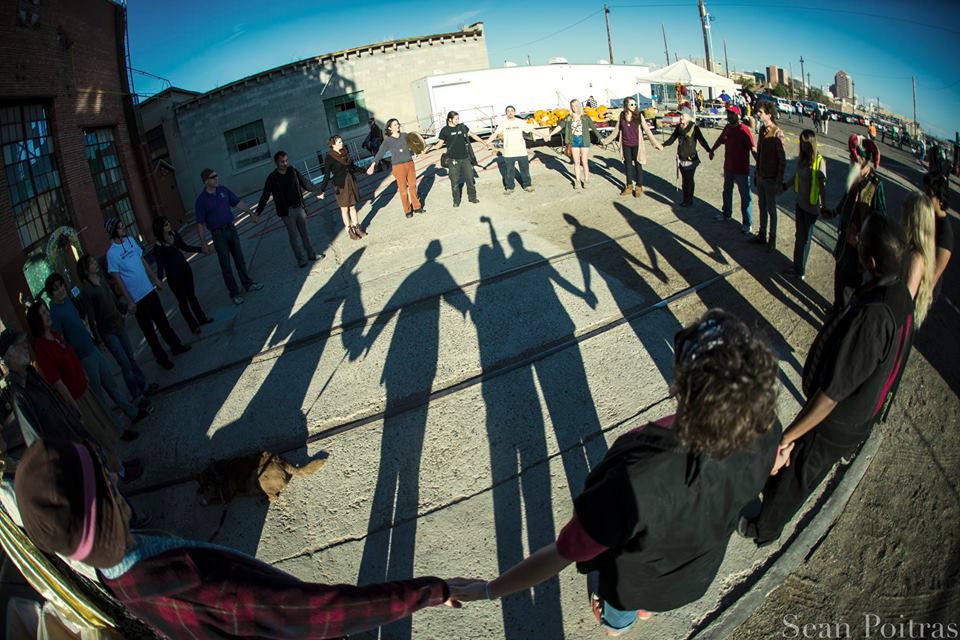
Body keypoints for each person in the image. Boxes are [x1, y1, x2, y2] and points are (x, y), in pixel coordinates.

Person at [452, 309, 781, 635]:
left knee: (620, 615)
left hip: (632, 583)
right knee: (656, 594)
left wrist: (488, 589)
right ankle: (648, 610)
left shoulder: (636, 480)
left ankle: (616, 623)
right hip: (693, 577)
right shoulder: (768, 433)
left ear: (683, 386)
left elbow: (564, 552)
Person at [14, 438, 474, 640]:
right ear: (102, 507)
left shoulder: (114, 576)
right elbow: (320, 610)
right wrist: (430, 592)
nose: (115, 478)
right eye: (105, 480)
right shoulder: (194, 583)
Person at [740, 215, 914, 547]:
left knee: (796, 474)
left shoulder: (873, 317)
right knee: (795, 466)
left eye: (860, 240)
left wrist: (788, 436)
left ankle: (764, 529)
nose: (854, 240)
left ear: (871, 261)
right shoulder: (899, 294)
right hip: (854, 417)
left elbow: (832, 394)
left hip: (836, 423)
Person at [26, 301, 141, 444]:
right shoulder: (42, 349)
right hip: (77, 398)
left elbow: (71, 356)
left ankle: (118, 455)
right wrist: (73, 404)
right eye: (43, 313)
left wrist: (84, 375)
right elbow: (57, 381)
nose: (47, 314)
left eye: (46, 311)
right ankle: (117, 464)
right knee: (97, 433)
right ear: (36, 321)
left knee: (103, 420)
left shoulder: (55, 335)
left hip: (84, 388)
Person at [45, 273, 145, 425]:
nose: (60, 290)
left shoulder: (69, 301)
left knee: (112, 386)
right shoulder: (55, 314)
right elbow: (61, 342)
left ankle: (132, 412)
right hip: (83, 358)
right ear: (50, 294)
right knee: (99, 397)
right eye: (55, 289)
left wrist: (96, 340)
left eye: (61, 285)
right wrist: (76, 364)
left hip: (92, 349)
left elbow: (81, 321)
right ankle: (116, 427)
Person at [106, 217, 191, 371]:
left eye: (122, 225)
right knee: (149, 332)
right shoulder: (111, 254)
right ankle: (161, 358)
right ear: (113, 231)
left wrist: (155, 279)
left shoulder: (131, 241)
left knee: (163, 321)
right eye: (119, 227)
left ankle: (176, 346)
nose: (123, 228)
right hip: (137, 299)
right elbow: (118, 280)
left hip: (149, 290)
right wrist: (129, 300)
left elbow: (143, 261)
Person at [78, 255, 156, 406]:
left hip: (119, 324)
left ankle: (144, 386)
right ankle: (137, 396)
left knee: (131, 358)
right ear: (86, 269)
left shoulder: (102, 279)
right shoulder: (87, 291)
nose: (95, 264)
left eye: (94, 261)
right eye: (92, 263)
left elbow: (113, 299)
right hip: (107, 332)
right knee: (125, 364)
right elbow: (92, 319)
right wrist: (99, 340)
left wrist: (126, 307)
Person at [195, 169, 265, 306]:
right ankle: (234, 294)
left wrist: (251, 213)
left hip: (231, 230)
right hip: (218, 235)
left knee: (240, 259)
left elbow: (238, 203)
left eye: (217, 175)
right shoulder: (201, 201)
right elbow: (200, 223)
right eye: (212, 177)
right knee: (226, 265)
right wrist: (203, 243)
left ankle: (248, 284)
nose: (216, 178)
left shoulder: (223, 190)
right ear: (205, 181)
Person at [830, 154, 886, 308]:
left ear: (865, 160)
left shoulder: (876, 185)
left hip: (858, 246)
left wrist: (863, 237)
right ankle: (837, 307)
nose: (851, 161)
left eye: (855, 159)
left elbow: (880, 220)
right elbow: (846, 199)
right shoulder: (854, 177)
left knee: (850, 283)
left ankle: (844, 315)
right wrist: (834, 212)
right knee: (839, 274)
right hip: (844, 237)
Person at [255, 151, 324, 268]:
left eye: (286, 160)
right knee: (294, 237)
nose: (285, 163)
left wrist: (318, 191)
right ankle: (301, 260)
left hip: (299, 208)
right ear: (276, 162)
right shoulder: (272, 178)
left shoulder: (293, 171)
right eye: (282, 162)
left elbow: (305, 183)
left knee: (305, 234)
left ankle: (311, 254)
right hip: (287, 212)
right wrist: (257, 213)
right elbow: (265, 196)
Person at [151, 217, 214, 334]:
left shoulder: (175, 234)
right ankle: (193, 325)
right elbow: (160, 266)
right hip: (174, 277)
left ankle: (202, 318)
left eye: (168, 222)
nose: (169, 225)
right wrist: (158, 280)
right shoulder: (158, 246)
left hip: (185, 270)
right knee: (183, 302)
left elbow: (185, 247)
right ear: (160, 229)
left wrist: (201, 249)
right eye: (165, 224)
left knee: (192, 296)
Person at [782, 130, 827, 280]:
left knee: (805, 239)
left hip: (811, 208)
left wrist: (824, 206)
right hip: (800, 204)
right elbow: (796, 177)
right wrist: (785, 186)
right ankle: (796, 265)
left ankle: (800, 271)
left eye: (804, 143)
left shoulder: (819, 161)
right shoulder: (801, 160)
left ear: (811, 144)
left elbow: (822, 186)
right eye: (801, 142)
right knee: (799, 237)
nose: (801, 145)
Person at [602, 96, 662, 197]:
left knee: (638, 165)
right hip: (626, 144)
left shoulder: (639, 115)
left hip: (637, 144)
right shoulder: (622, 115)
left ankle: (639, 187)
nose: (634, 106)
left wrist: (655, 143)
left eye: (635, 104)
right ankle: (629, 186)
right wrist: (606, 141)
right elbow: (616, 130)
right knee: (628, 166)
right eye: (632, 104)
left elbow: (647, 129)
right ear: (626, 105)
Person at [709, 105, 756, 234]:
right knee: (727, 192)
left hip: (742, 170)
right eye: (728, 114)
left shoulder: (744, 130)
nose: (729, 116)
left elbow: (753, 148)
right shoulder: (728, 128)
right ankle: (726, 214)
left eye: (732, 114)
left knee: (745, 196)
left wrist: (759, 164)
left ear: (738, 115)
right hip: (728, 168)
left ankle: (747, 223)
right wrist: (712, 150)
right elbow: (720, 139)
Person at [429, 111, 491, 207]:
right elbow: (439, 145)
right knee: (454, 182)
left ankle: (472, 197)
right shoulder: (445, 130)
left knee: (470, 179)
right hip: (453, 160)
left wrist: (483, 142)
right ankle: (456, 201)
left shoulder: (462, 127)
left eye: (458, 118)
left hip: (465, 158)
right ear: (450, 119)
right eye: (456, 119)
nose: (458, 120)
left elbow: (473, 135)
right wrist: (429, 148)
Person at [367, 118, 426, 217]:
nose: (397, 126)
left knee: (412, 186)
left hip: (409, 163)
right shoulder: (388, 141)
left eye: (397, 124)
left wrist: (420, 149)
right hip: (398, 167)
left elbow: (414, 145)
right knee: (403, 189)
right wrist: (373, 165)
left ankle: (417, 207)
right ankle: (407, 210)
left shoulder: (405, 135)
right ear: (390, 128)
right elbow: (380, 153)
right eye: (394, 125)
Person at [752, 103, 786, 252]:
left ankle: (772, 240)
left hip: (771, 179)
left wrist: (779, 181)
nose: (758, 114)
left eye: (760, 112)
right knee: (762, 206)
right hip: (761, 176)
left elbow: (782, 160)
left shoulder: (778, 133)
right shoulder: (761, 131)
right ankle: (762, 234)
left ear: (769, 114)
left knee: (771, 210)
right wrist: (756, 172)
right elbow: (759, 154)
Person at [900, 192, 937, 327]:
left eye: (905, 210)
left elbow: (904, 300)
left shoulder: (916, 258)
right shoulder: (914, 250)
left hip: (899, 323)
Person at [319, 135, 367, 240]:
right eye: (339, 142)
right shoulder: (329, 157)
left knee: (353, 207)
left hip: (350, 182)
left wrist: (365, 170)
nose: (342, 143)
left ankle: (357, 227)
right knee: (344, 209)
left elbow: (353, 167)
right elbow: (326, 175)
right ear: (333, 145)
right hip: (340, 185)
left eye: (341, 141)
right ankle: (349, 230)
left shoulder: (345, 153)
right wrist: (321, 190)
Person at [662, 106, 711, 207]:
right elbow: (672, 138)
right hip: (681, 158)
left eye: (683, 115)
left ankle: (689, 200)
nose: (680, 117)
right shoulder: (679, 127)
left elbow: (702, 141)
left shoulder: (694, 128)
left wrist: (709, 150)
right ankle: (686, 199)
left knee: (689, 179)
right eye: (680, 115)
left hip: (691, 159)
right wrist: (663, 145)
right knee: (685, 180)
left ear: (689, 117)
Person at [548, 99, 602, 192]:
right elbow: (560, 126)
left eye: (576, 105)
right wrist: (550, 134)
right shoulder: (568, 117)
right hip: (574, 141)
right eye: (572, 106)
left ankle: (586, 180)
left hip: (584, 140)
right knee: (576, 162)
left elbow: (593, 128)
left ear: (579, 106)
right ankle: (577, 180)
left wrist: (601, 138)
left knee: (584, 161)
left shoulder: (585, 117)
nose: (574, 108)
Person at [491, 106, 538, 195]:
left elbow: (531, 130)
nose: (510, 112)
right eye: (508, 111)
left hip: (521, 151)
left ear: (514, 112)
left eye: (512, 111)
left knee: (525, 170)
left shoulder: (520, 122)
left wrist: (544, 135)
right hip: (509, 152)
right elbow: (495, 134)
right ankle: (510, 187)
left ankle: (527, 185)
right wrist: (486, 142)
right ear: (506, 113)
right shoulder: (503, 124)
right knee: (509, 171)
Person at [921, 172, 954, 298]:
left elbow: (934, 275)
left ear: (940, 200)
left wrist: (922, 296)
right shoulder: (929, 216)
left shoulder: (945, 234)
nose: (925, 197)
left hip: (925, 290)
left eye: (930, 194)